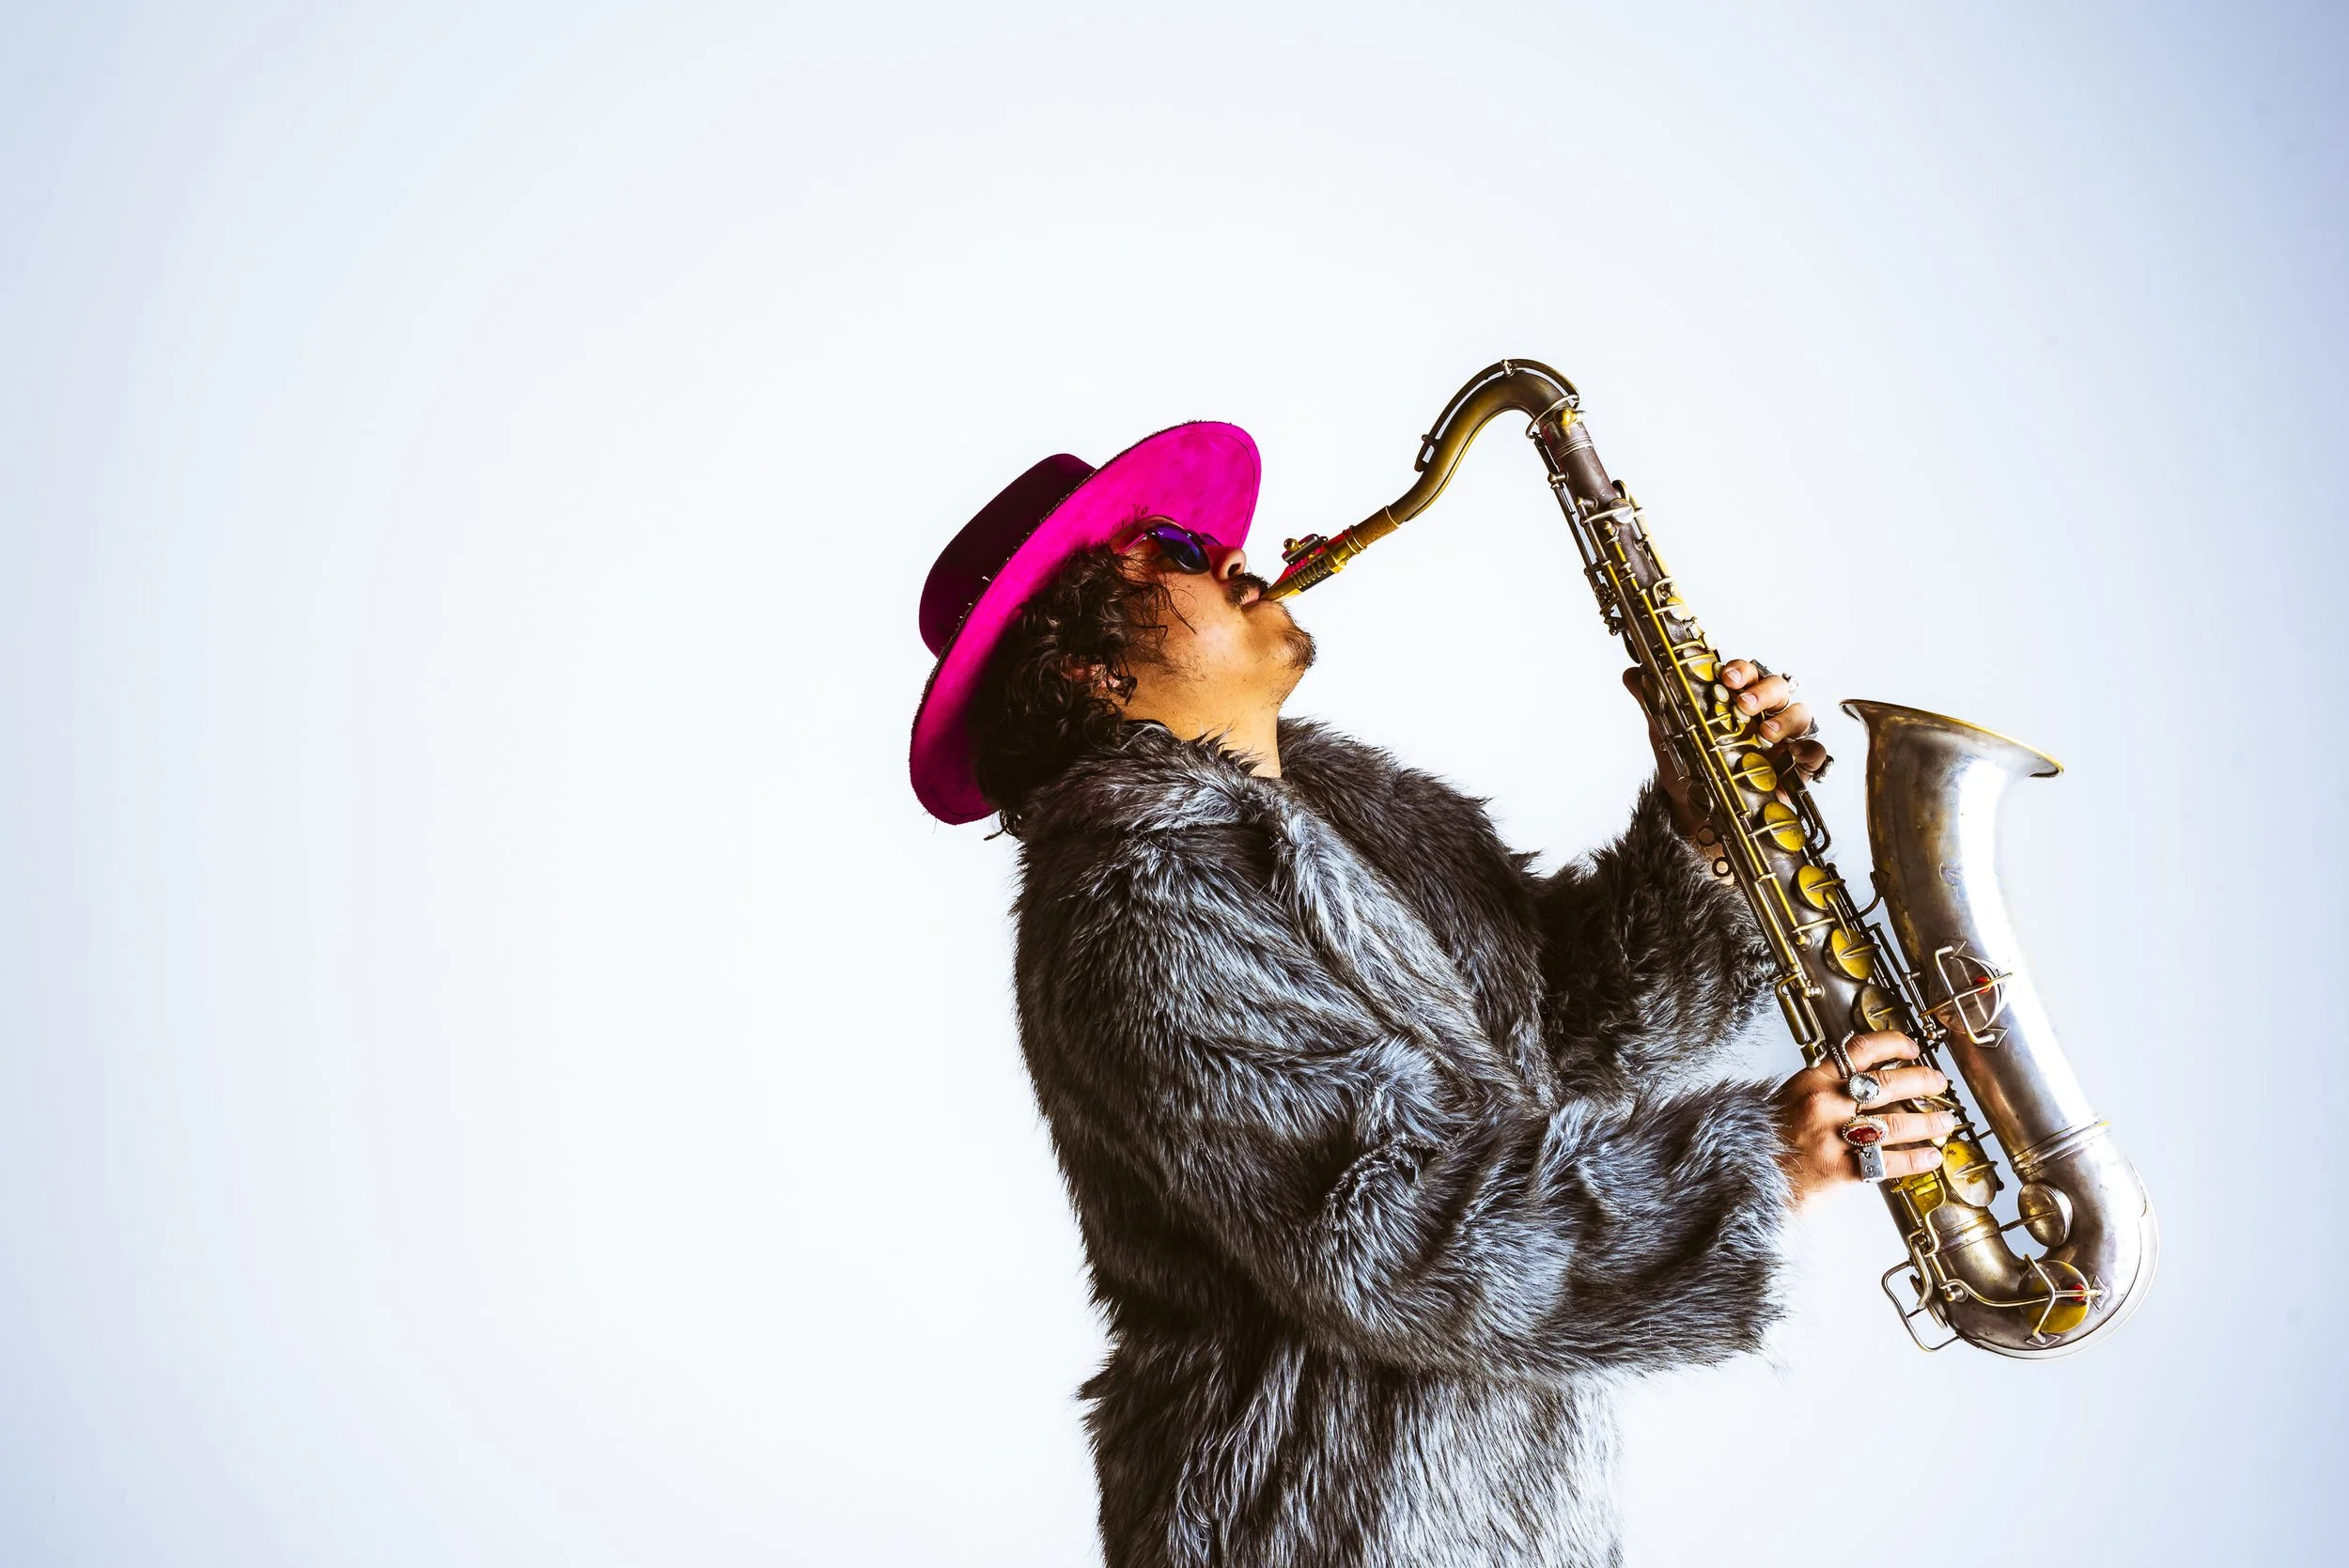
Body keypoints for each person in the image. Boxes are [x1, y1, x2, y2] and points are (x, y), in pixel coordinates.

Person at [909, 424, 1952, 1568]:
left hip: (1508, 1519)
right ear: (1086, 668)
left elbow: (1568, 1053)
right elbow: (1382, 1231)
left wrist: (1698, 837)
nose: (1235, 556)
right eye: (1174, 551)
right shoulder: (1138, 902)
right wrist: (1753, 1161)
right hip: (1315, 1532)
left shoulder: (1365, 820)